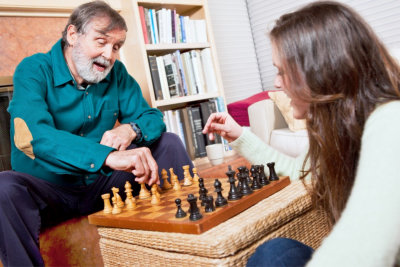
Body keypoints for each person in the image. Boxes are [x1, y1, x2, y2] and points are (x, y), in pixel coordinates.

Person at [203, 1, 400, 266]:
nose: (275, 83)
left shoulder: (391, 121)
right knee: (275, 252)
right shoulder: (335, 130)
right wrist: (239, 135)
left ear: (322, 70)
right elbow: (298, 171)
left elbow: (359, 256)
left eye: (282, 71)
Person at [0, 1, 193, 266]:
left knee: (169, 143)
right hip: (49, 191)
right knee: (3, 187)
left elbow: (152, 117)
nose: (109, 54)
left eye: (116, 46)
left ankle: (192, 242)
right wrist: (107, 157)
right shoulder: (34, 69)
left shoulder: (117, 73)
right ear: (72, 35)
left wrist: (130, 129)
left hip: (99, 185)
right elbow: (32, 137)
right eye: (101, 42)